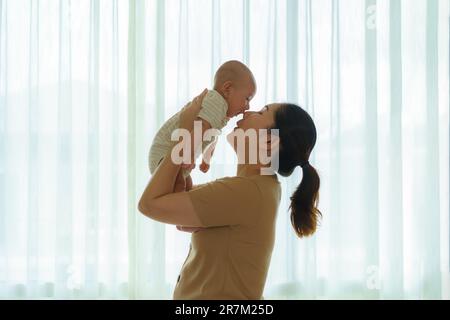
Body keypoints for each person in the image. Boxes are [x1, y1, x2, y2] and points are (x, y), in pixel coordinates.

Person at [138, 90, 321, 300]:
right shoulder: (257, 188)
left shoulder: (247, 192)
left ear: (270, 142)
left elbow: (149, 204)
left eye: (261, 112)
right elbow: (178, 210)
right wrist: (192, 142)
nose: (247, 113)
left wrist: (186, 137)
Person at [148, 60, 256, 192]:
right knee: (180, 188)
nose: (247, 107)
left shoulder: (220, 111)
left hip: (174, 154)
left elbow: (212, 136)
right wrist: (188, 155)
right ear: (227, 89)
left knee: (187, 186)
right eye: (247, 98)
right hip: (164, 153)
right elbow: (200, 128)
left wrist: (206, 158)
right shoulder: (216, 103)